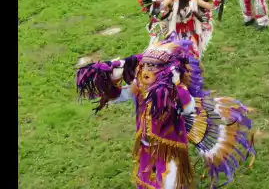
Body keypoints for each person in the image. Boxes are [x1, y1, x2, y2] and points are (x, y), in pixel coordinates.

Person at [74, 36, 255, 189]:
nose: (146, 71)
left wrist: (176, 86)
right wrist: (106, 80)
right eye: (145, 65)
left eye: (153, 67)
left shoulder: (175, 90)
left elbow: (189, 108)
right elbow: (119, 95)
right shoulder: (139, 86)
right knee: (145, 181)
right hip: (145, 145)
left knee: (169, 182)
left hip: (170, 149)